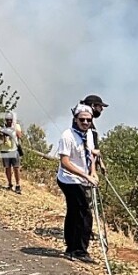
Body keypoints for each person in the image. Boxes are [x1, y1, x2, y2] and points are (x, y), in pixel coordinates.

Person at [57, 104, 99, 262]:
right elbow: (65, 162)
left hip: (83, 177)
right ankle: (80, 250)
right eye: (82, 120)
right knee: (84, 213)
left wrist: (93, 172)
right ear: (75, 119)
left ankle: (71, 248)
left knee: (75, 212)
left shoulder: (88, 134)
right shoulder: (67, 136)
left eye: (89, 120)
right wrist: (85, 175)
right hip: (69, 179)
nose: (86, 123)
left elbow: (90, 155)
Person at [80, 94, 109, 175]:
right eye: (100, 106)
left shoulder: (91, 125)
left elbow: (94, 147)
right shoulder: (82, 125)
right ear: (93, 106)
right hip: (83, 170)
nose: (102, 109)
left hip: (90, 169)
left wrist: (101, 163)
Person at [0, 112, 23, 194]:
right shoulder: (1, 127)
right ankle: (9, 183)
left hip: (14, 150)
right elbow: (0, 139)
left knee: (16, 168)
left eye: (10, 120)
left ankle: (18, 185)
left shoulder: (16, 126)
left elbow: (20, 135)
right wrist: (4, 133)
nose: (9, 121)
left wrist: (14, 128)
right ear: (5, 120)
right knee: (7, 168)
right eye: (7, 120)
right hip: (5, 150)